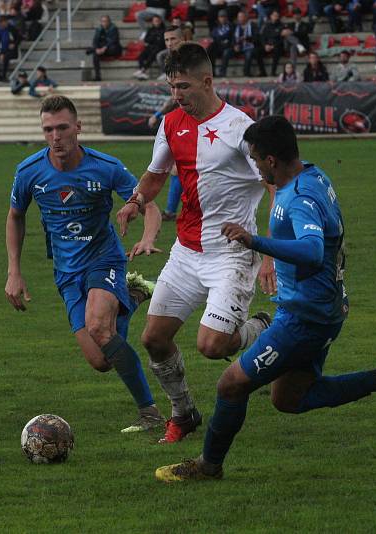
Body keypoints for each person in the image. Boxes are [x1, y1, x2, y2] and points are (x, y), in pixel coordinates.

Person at [154, 115, 376, 482]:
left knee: (231, 384)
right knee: (289, 399)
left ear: (270, 160)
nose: (252, 164)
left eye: (254, 158)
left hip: (304, 317)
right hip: (323, 310)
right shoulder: (313, 175)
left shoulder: (299, 198)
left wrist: (255, 242)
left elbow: (313, 251)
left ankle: (208, 466)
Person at [115, 43, 275, 444]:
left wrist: (270, 250)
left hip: (232, 255)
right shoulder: (171, 124)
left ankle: (263, 327)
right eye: (171, 87)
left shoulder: (240, 128)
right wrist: (136, 201)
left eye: (183, 86)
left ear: (207, 81)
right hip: (186, 252)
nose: (176, 95)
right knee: (153, 338)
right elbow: (155, 175)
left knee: (213, 345)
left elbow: (274, 185)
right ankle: (183, 413)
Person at [6, 95, 166, 433]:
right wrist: (14, 272)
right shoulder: (30, 171)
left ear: (78, 127)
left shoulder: (104, 167)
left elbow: (148, 204)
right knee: (100, 360)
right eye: (48, 129)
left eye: (62, 127)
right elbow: (16, 216)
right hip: (67, 271)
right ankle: (132, 298)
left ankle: (150, 413)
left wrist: (148, 237)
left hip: (104, 258)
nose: (55, 136)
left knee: (97, 326)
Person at [228, 10, 266, 77]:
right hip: (239, 47)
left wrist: (247, 38)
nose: (240, 18)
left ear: (246, 17)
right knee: (226, 52)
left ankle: (246, 74)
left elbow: (257, 39)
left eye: (241, 17)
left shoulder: (253, 25)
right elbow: (232, 39)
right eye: (239, 17)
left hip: (251, 47)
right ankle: (222, 73)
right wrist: (234, 46)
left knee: (248, 54)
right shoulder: (235, 27)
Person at [89, 15, 123, 82]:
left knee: (111, 46)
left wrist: (104, 48)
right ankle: (98, 76)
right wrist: (97, 49)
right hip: (102, 49)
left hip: (113, 49)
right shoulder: (99, 29)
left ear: (109, 22)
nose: (104, 23)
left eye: (105, 21)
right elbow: (95, 41)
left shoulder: (114, 28)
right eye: (102, 21)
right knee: (95, 54)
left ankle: (91, 50)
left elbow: (113, 40)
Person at [134, 15, 167, 80]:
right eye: (155, 21)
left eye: (157, 21)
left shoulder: (164, 30)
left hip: (160, 48)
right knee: (141, 56)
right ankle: (142, 71)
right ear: (152, 22)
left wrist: (153, 39)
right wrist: (155, 38)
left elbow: (161, 42)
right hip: (151, 47)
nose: (156, 22)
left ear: (160, 21)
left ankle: (143, 70)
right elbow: (146, 39)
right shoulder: (150, 29)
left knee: (153, 54)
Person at [0, 14, 21, 80]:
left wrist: (14, 44)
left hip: (11, 51)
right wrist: (0, 53)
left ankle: (4, 76)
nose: (3, 25)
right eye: (1, 23)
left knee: (6, 57)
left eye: (4, 22)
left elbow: (19, 38)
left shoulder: (12, 28)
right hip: (1, 51)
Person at [209, 9, 234, 77]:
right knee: (211, 51)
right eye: (221, 17)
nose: (223, 18)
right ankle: (212, 72)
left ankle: (222, 72)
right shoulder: (216, 27)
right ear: (218, 18)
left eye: (224, 16)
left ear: (227, 17)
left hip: (229, 47)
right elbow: (213, 37)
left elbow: (232, 38)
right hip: (219, 47)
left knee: (226, 52)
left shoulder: (231, 27)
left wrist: (220, 38)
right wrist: (222, 38)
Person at [260, 10, 284, 77]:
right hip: (267, 45)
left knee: (277, 51)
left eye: (277, 16)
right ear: (271, 16)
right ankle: (263, 72)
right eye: (274, 15)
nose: (276, 17)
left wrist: (273, 46)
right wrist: (265, 45)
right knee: (257, 52)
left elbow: (281, 39)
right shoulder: (266, 25)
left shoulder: (281, 25)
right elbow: (262, 37)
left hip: (277, 46)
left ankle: (273, 72)